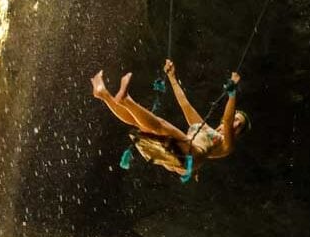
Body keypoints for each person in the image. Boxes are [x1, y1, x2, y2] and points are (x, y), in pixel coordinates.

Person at [91, 59, 249, 177]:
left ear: (238, 134)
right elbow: (184, 104)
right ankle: (103, 94)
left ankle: (126, 100)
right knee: (140, 123)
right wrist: (172, 77)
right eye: (237, 119)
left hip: (190, 158)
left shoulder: (227, 145)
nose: (236, 124)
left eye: (239, 125)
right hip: (176, 153)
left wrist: (232, 95)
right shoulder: (203, 126)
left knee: (160, 124)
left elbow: (227, 121)